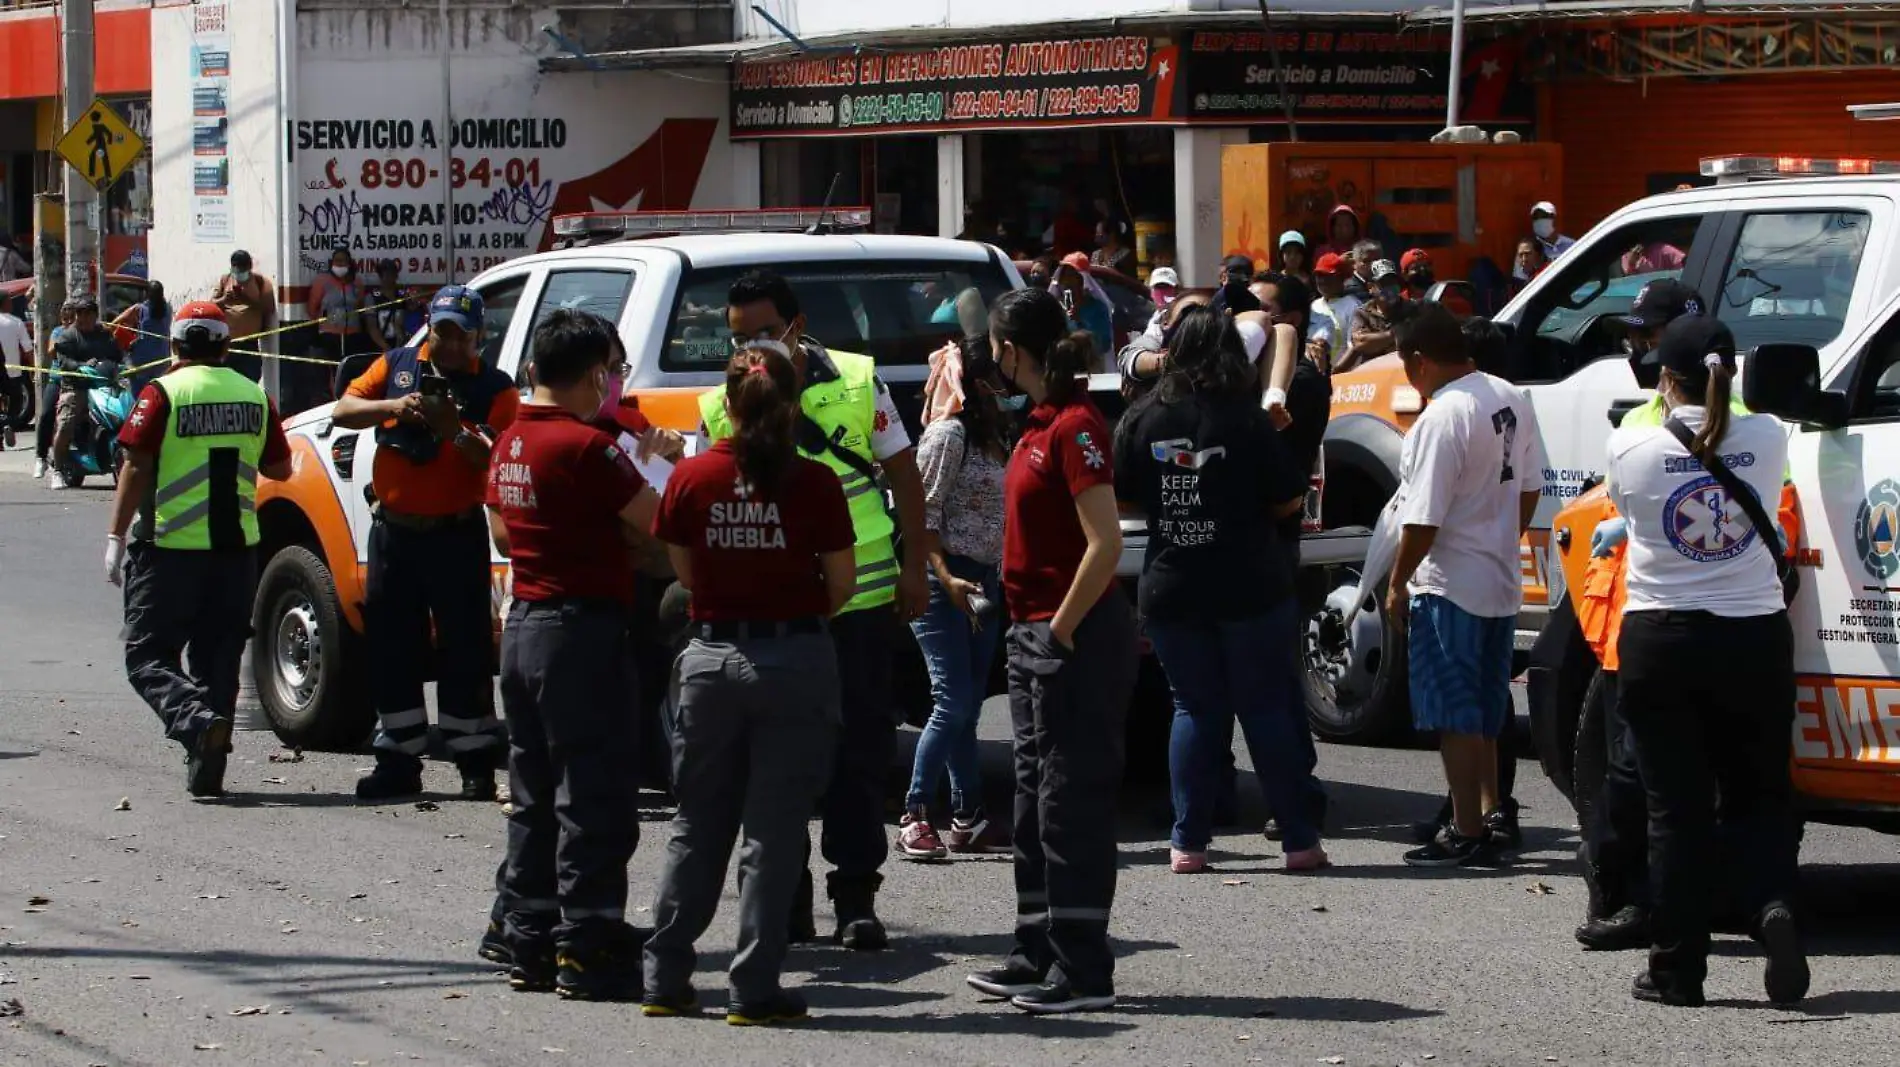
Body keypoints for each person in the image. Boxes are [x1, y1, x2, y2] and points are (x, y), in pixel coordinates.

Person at [695, 270, 930, 951]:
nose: (749, 348)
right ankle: (786, 901)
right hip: (771, 607)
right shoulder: (721, 401)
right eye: (738, 337)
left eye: (763, 332)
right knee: (774, 759)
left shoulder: (857, 380)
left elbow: (905, 478)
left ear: (795, 326)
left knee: (859, 751)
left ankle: (855, 897)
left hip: (859, 601)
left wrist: (914, 568)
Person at [643, 344, 858, 1026]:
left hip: (709, 658)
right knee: (773, 831)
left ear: (726, 405)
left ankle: (666, 972)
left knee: (696, 823)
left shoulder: (692, 477)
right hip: (790, 657)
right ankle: (753, 984)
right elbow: (842, 584)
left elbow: (684, 570)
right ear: (792, 406)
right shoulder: (816, 482)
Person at [1604, 314, 1806, 1008]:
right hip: (1753, 635)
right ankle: (1773, 904)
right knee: (1762, 793)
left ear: (1665, 378)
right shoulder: (1769, 434)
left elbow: (1629, 519)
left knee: (1676, 810)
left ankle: (1677, 969)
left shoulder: (1629, 449)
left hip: (1664, 640)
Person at [964, 287, 1135, 1015]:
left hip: (1073, 636)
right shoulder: (1035, 421)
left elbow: (1107, 542)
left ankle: (1083, 968)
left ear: (1012, 349)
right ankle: (1035, 948)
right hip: (1030, 630)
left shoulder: (1075, 426)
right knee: (1033, 804)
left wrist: (1061, 629)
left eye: (993, 347)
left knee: (1070, 804)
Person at [482, 309, 658, 1000]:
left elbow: (501, 527)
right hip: (580, 630)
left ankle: (529, 938)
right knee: (594, 793)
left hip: (524, 624)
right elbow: (655, 522)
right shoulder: (590, 447)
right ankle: (589, 945)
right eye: (611, 372)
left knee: (532, 795)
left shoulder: (511, 440)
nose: (613, 383)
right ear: (593, 374)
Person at [1115, 304, 1326, 875]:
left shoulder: (1143, 416)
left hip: (1173, 585)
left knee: (1193, 709)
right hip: (1250, 584)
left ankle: (1189, 844)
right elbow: (1288, 499)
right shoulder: (1249, 420)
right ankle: (1299, 843)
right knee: (1265, 710)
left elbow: (1124, 496)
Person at [333, 285, 518, 801]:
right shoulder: (395, 365)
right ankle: (398, 757)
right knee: (392, 646)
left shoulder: (496, 389)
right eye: (443, 333)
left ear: (479, 336)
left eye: (463, 335)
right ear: (429, 329)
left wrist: (453, 429)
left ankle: (474, 759)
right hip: (394, 533)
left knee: (466, 647)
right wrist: (396, 404)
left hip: (456, 534)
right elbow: (343, 411)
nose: (452, 345)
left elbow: (501, 463)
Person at [106, 302, 291, 796]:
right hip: (236, 554)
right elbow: (280, 470)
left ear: (175, 345)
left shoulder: (163, 392)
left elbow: (137, 464)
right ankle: (208, 768)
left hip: (170, 548)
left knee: (146, 656)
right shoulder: (255, 395)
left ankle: (193, 720)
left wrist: (114, 536)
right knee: (219, 660)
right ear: (226, 345)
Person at [1385, 302, 1545, 867]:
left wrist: (1396, 582)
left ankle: (1467, 830)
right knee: (1483, 709)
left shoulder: (1440, 417)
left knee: (1454, 714)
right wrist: (1500, 535)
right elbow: (1531, 487)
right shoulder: (1508, 395)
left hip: (1449, 581)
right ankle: (1488, 811)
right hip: (1499, 577)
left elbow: (1422, 516)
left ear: (1420, 360)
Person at [896, 326, 1014, 861]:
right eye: (993, 378)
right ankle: (915, 813)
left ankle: (967, 816)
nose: (1002, 386)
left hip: (984, 579)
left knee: (966, 705)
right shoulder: (948, 437)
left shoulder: (993, 436)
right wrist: (946, 579)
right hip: (947, 582)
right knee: (953, 701)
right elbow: (922, 517)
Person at [47, 294, 123, 490]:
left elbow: (118, 355)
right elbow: (64, 361)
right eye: (81, 313)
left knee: (125, 413)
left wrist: (124, 367)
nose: (85, 317)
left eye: (89, 313)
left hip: (104, 385)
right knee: (66, 423)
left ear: (95, 315)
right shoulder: (67, 336)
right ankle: (57, 469)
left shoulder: (104, 334)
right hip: (76, 386)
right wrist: (79, 366)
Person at [211, 250, 277, 383]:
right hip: (228, 344)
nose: (239, 273)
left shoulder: (260, 282)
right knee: (225, 383)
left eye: (242, 270)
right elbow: (212, 304)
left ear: (249, 267)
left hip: (249, 344)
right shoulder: (225, 280)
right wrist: (224, 299)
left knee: (250, 382)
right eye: (236, 269)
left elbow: (269, 308)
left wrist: (247, 299)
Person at [33, 301, 78, 479]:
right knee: (45, 415)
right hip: (57, 380)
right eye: (64, 319)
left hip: (75, 381)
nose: (67, 322)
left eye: (71, 319)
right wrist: (62, 339)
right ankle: (41, 457)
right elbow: (51, 351)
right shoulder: (57, 332)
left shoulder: (80, 334)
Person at [1336, 260, 1403, 374]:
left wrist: (1377, 340)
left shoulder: (1411, 308)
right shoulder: (1363, 313)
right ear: (1371, 287)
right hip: (1374, 377)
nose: (1390, 288)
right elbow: (1361, 342)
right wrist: (1395, 334)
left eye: (1393, 283)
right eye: (1384, 284)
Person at [308, 248, 371, 367]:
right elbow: (312, 309)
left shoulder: (357, 282)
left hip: (353, 334)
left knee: (350, 368)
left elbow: (361, 306)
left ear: (349, 263)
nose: (340, 264)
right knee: (332, 369)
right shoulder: (322, 281)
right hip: (329, 335)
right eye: (337, 261)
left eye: (343, 261)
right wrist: (325, 321)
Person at [111, 280, 172, 394]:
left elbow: (114, 323)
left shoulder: (139, 309)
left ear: (146, 294)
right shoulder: (168, 309)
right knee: (159, 392)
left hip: (141, 361)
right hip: (163, 360)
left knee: (139, 395)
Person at [1052, 252, 1114, 359]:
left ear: (1083, 280)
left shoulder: (1097, 307)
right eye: (1063, 276)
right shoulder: (1055, 309)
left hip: (1092, 366)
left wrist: (1079, 322)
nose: (1066, 282)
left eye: (1071, 276)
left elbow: (1104, 344)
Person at [1309, 253, 1362, 373]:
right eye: (1319, 275)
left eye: (1328, 276)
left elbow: (1354, 347)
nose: (1322, 280)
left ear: (1341, 278)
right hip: (1316, 378)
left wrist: (1336, 372)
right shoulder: (1314, 306)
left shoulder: (1353, 306)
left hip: (1345, 377)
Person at [364, 258, 424, 352]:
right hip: (380, 347)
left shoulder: (403, 296)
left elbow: (414, 314)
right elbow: (372, 328)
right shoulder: (371, 298)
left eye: (392, 273)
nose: (389, 277)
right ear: (380, 276)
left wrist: (415, 300)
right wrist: (386, 348)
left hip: (401, 345)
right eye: (386, 274)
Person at [0, 302, 29, 449]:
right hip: (14, 371)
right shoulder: (16, 322)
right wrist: (32, 369)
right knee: (16, 402)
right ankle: (7, 423)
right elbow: (28, 348)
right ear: (6, 304)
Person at [1145, 266, 1179, 333]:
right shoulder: (1154, 319)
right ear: (1152, 293)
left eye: (1166, 287)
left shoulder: (1182, 317)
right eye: (1158, 287)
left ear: (1176, 290)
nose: (1161, 292)